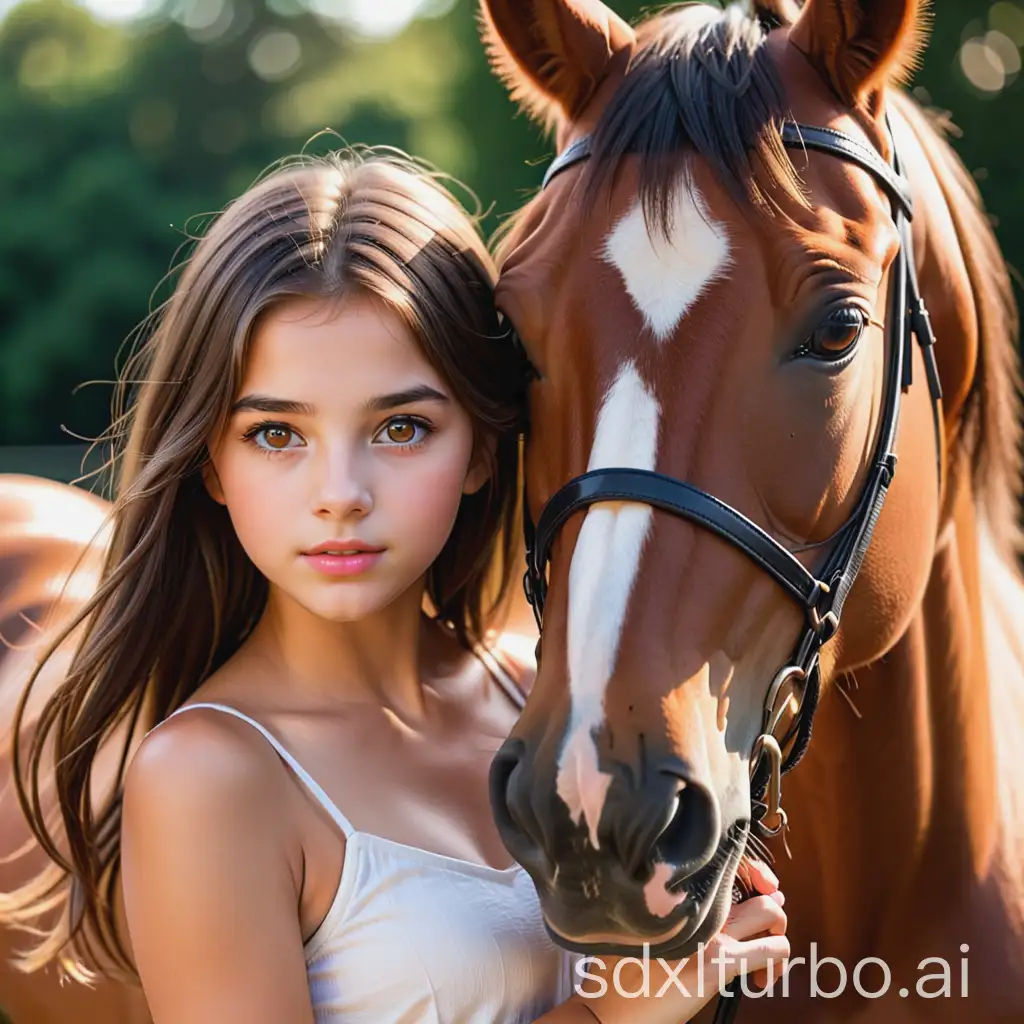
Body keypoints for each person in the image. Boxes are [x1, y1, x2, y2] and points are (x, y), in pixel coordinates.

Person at [2, 147, 789, 1022]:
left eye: (402, 427)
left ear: (483, 449)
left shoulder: (537, 692)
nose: (340, 494)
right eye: (275, 434)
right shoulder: (209, 778)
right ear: (211, 464)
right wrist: (614, 1015)